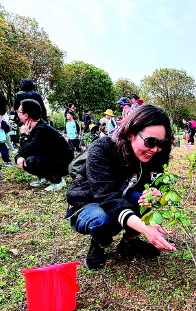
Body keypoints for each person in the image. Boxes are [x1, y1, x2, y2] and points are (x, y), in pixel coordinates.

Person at [66, 104, 177, 270]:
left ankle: (129, 243)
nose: (155, 149)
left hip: (122, 197)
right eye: (150, 141)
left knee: (142, 198)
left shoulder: (157, 154)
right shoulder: (103, 148)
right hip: (89, 203)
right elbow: (106, 197)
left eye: (161, 143)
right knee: (102, 219)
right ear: (131, 133)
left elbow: (160, 182)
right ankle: (99, 244)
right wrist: (145, 228)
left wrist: (156, 192)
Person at [15, 100, 74, 191]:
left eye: (19, 111)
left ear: (26, 115)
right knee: (20, 158)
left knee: (31, 161)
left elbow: (29, 150)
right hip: (51, 159)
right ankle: (44, 177)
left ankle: (58, 180)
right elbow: (24, 150)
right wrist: (19, 157)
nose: (17, 114)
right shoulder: (33, 127)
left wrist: (24, 135)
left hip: (64, 163)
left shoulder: (42, 129)